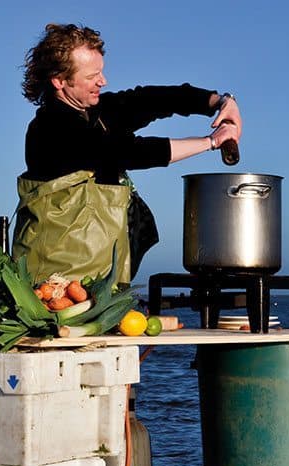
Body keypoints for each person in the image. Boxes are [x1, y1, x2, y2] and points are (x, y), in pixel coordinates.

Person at [13, 23, 242, 284]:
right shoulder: (51, 128)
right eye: (92, 76)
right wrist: (211, 141)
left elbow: (149, 100)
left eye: (101, 72)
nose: (103, 81)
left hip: (98, 272)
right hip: (57, 279)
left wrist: (220, 102)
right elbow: (130, 152)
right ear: (59, 80)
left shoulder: (94, 113)